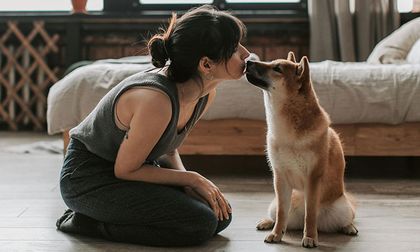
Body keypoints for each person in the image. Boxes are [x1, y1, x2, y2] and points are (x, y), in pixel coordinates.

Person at [56, 5, 250, 247]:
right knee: (199, 223)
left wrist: (187, 183)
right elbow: (125, 170)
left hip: (132, 170)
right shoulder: (155, 100)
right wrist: (192, 180)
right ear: (206, 65)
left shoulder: (204, 93)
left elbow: (168, 147)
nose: (246, 54)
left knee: (220, 216)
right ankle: (86, 222)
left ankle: (108, 215)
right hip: (88, 179)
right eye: (234, 48)